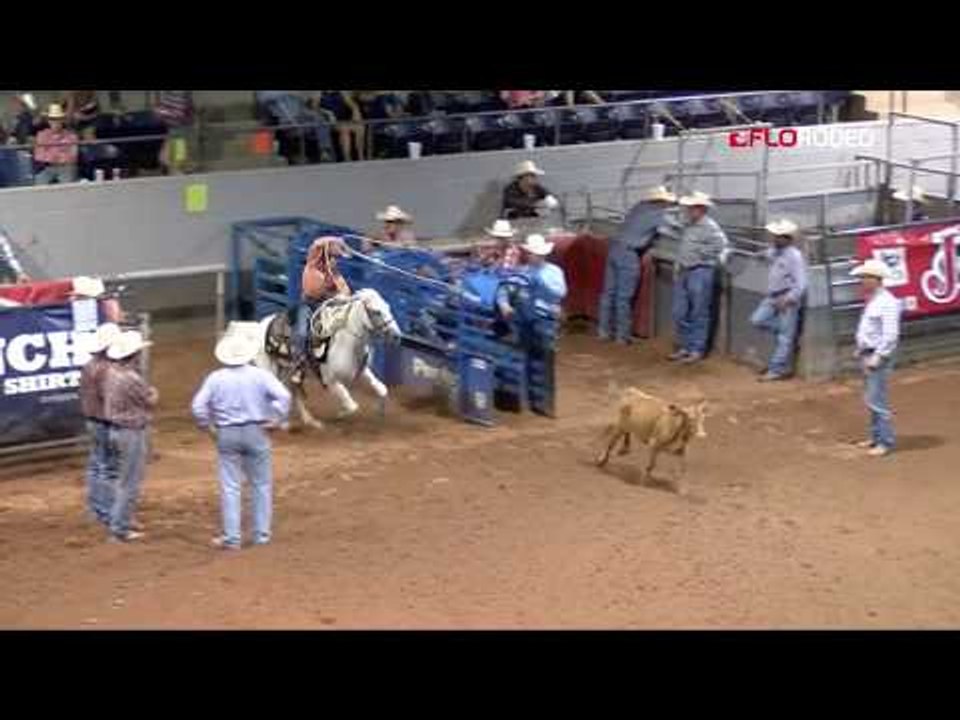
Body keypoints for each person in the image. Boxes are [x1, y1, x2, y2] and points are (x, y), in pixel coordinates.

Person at [191, 332, 292, 550]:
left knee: (230, 486)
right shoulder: (259, 375)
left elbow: (198, 407)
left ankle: (232, 537)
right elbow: (284, 396)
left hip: (227, 433)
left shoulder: (215, 378)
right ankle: (261, 535)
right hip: (256, 431)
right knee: (261, 484)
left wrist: (207, 427)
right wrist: (276, 418)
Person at [598, 186, 679, 344]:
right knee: (623, 297)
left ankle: (604, 331)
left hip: (615, 248)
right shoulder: (659, 214)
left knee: (608, 293)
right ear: (662, 201)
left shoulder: (638, 207)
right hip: (628, 254)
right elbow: (674, 230)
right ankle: (622, 336)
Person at [101, 330, 158, 542]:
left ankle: (119, 522)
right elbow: (150, 399)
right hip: (130, 432)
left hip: (116, 429)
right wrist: (153, 394)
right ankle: (120, 528)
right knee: (130, 482)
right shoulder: (131, 378)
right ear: (133, 355)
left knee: (122, 480)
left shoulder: (111, 373)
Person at [670, 191, 730, 364]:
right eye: (688, 208)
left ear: (701, 209)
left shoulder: (710, 227)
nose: (688, 211)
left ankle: (696, 349)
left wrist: (702, 254)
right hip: (685, 270)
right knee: (679, 312)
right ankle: (686, 346)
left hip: (700, 271)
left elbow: (723, 247)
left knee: (699, 311)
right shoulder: (689, 224)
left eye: (691, 208)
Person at [851, 258, 902, 457]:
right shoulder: (875, 299)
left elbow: (890, 334)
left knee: (876, 399)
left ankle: (885, 441)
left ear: (876, 279)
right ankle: (876, 437)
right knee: (871, 398)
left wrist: (879, 356)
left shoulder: (887, 302)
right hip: (868, 352)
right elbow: (871, 330)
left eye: (865, 277)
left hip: (876, 355)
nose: (862, 281)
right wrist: (861, 348)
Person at [750, 219, 808, 381]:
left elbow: (801, 283)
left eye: (778, 236)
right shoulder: (775, 251)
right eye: (774, 236)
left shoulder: (794, 256)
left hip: (786, 297)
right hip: (773, 295)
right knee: (757, 320)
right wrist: (759, 255)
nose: (774, 239)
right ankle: (786, 335)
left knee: (784, 336)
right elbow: (765, 255)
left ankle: (776, 368)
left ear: (787, 238)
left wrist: (788, 298)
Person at [79, 322, 121, 526]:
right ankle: (107, 512)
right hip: (105, 421)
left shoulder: (89, 365)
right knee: (109, 468)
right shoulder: (107, 369)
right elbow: (110, 398)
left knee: (96, 464)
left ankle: (96, 509)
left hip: (91, 420)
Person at [292, 236, 352, 374]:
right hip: (310, 304)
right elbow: (316, 244)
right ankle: (299, 361)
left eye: (336, 259)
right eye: (332, 257)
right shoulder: (312, 267)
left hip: (328, 306)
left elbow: (344, 289)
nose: (335, 261)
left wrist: (344, 297)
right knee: (302, 332)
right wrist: (336, 240)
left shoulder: (334, 274)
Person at [497, 233, 568, 319]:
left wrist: (539, 285)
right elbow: (505, 288)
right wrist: (504, 304)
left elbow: (559, 294)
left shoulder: (554, 271)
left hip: (545, 317)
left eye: (531, 253)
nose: (528, 256)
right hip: (524, 317)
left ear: (542, 255)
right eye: (528, 253)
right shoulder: (523, 270)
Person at [33, 104, 79, 184]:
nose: (55, 122)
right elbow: (39, 156)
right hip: (47, 168)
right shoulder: (41, 135)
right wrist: (60, 155)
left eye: (58, 119)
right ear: (48, 121)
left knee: (67, 185)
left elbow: (73, 156)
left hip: (66, 168)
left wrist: (51, 155)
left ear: (62, 120)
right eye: (52, 119)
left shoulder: (71, 136)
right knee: (40, 183)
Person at [154, 91, 194, 175]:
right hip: (176, 117)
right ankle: (176, 165)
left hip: (176, 116)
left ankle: (171, 161)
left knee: (177, 137)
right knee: (179, 137)